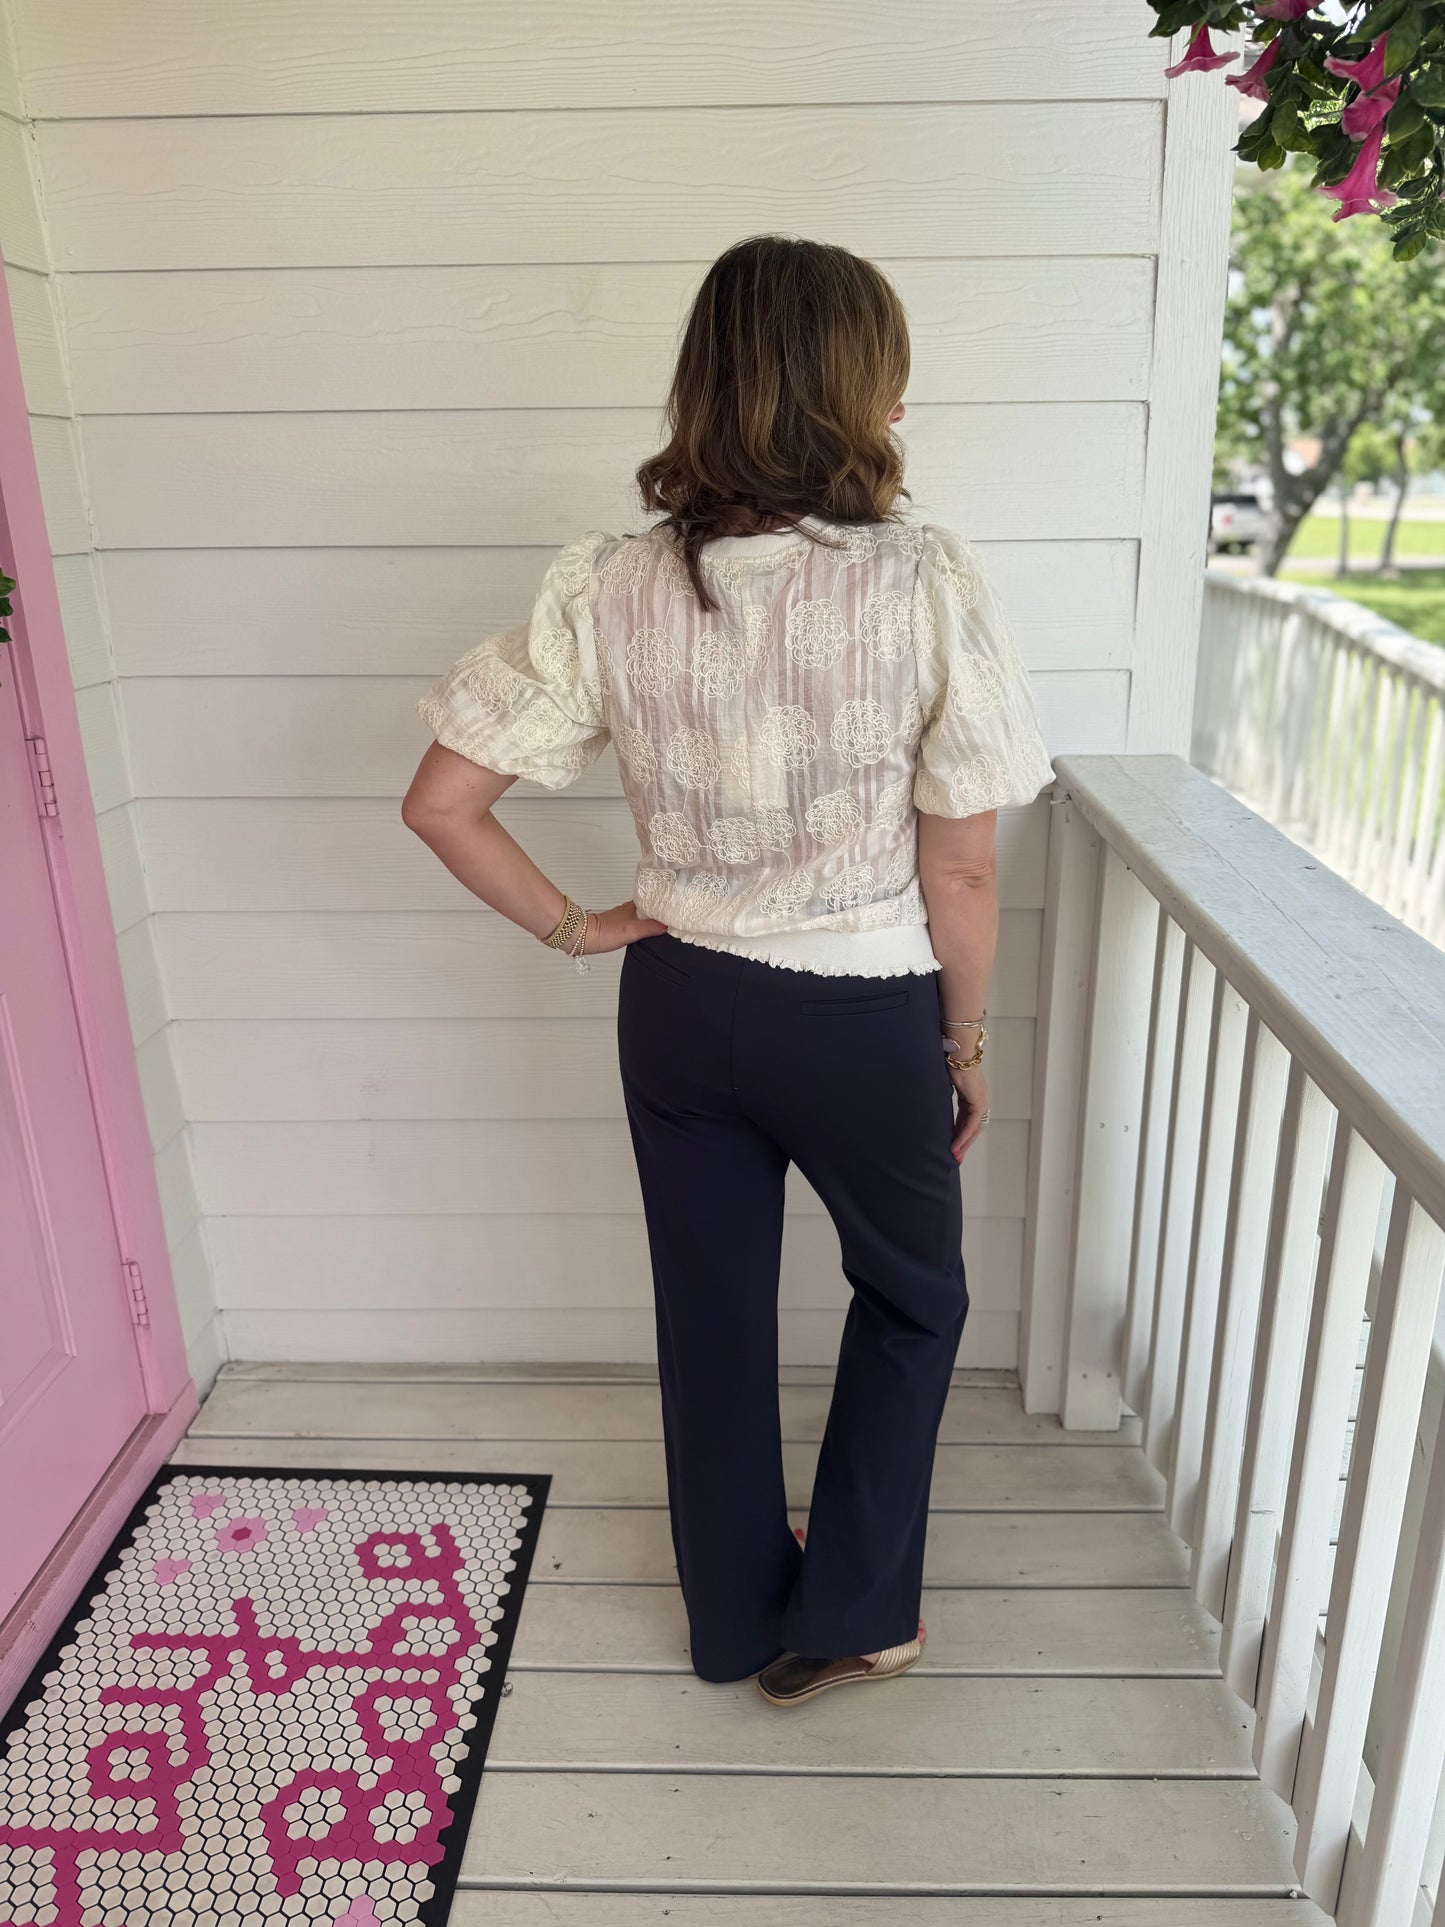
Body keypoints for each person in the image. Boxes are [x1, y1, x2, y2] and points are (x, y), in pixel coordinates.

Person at [402, 233, 1056, 1707]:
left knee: (708, 1318)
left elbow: (440, 803)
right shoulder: (920, 581)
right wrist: (960, 1045)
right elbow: (958, 864)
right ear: (857, 393)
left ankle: (731, 1623)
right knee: (914, 1299)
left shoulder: (614, 582)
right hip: (858, 1004)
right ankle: (855, 1612)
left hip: (682, 1003)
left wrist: (580, 927)